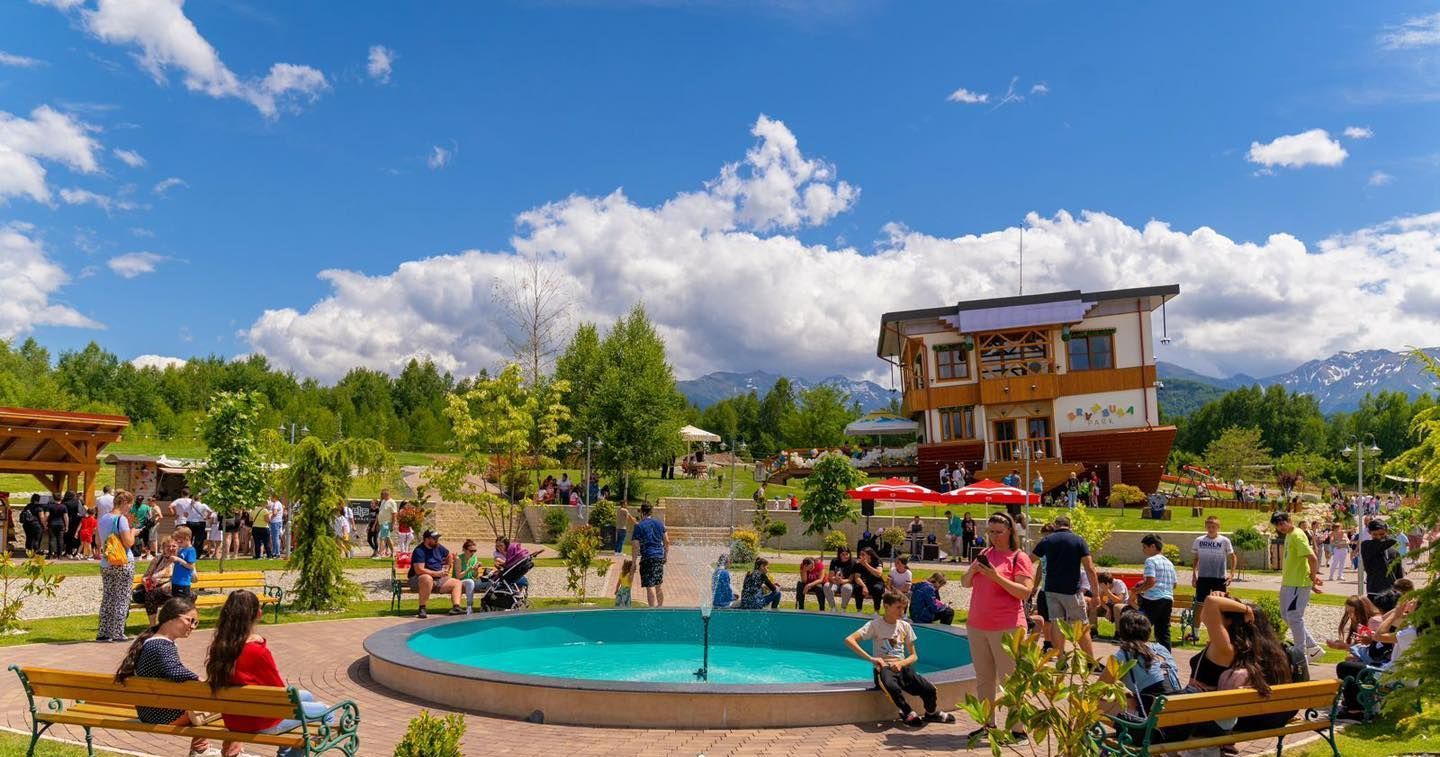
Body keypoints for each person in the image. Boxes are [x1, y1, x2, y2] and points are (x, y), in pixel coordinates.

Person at [207, 591, 334, 755]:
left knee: (307, 696)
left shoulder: (219, 648)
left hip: (234, 718)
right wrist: (261, 646)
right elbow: (281, 693)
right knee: (329, 712)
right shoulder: (257, 652)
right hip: (261, 722)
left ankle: (288, 750)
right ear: (258, 614)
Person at [962, 513, 1035, 745]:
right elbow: (964, 582)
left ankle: (1018, 730)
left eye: (998, 532)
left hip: (1007, 627)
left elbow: (1024, 592)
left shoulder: (1018, 557)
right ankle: (987, 724)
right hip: (977, 625)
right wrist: (973, 571)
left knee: (1011, 680)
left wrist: (996, 576)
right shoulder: (984, 553)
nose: (994, 536)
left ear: (1010, 532)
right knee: (984, 679)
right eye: (990, 532)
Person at [113, 598, 214, 757]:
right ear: (172, 618)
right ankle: (214, 750)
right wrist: (199, 680)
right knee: (222, 705)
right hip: (162, 714)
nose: (193, 626)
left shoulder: (150, 641)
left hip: (149, 710)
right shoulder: (161, 645)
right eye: (190, 620)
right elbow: (174, 671)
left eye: (196, 623)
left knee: (203, 703)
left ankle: (200, 748)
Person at [843, 592, 955, 727]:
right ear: (886, 606)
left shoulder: (905, 626)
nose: (902, 611)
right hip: (883, 669)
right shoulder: (874, 625)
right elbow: (849, 640)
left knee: (929, 689)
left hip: (902, 667)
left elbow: (914, 656)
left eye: (904, 608)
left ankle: (931, 714)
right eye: (898, 607)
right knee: (892, 687)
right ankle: (907, 712)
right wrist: (871, 658)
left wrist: (901, 663)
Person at [1032, 515, 1099, 657]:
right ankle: (1089, 660)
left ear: (1055, 526)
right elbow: (1090, 568)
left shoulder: (1047, 540)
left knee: (1057, 622)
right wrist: (1096, 594)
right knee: (1080, 624)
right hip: (1071, 590)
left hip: (1050, 589)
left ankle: (1061, 658)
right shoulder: (1079, 540)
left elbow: (1029, 559)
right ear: (1070, 526)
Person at [1100, 609, 1181, 721]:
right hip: (1177, 716)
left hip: (1153, 725)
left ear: (1122, 633)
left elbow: (1099, 688)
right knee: (1132, 699)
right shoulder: (1161, 649)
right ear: (1148, 632)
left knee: (1097, 703)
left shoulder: (1123, 655)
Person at [1272, 511, 1324, 663]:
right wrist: (1311, 579)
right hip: (1289, 582)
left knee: (1294, 616)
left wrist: (1312, 579)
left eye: (1282, 523)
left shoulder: (1297, 535)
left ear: (1289, 520)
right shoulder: (1289, 535)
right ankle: (1313, 647)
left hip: (1297, 584)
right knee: (1285, 615)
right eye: (1277, 525)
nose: (1280, 527)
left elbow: (1313, 558)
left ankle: (1300, 654)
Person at [96, 490, 137, 642]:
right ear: (124, 502)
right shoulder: (121, 520)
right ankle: (117, 632)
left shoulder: (103, 518)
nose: (130, 508)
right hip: (122, 562)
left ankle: (104, 632)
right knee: (122, 597)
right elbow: (128, 542)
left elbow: (99, 541)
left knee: (108, 597)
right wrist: (133, 532)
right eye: (129, 505)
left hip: (106, 562)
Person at [1130, 534, 1177, 650]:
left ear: (1152, 546)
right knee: (1163, 631)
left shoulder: (1150, 561)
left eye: (1144, 547)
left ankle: (1136, 654)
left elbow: (1151, 581)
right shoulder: (1169, 563)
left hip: (1152, 599)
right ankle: (1167, 658)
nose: (1143, 550)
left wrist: (1138, 590)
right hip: (1168, 598)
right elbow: (1174, 584)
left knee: (1141, 628)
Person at [409, 530, 465, 618]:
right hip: (419, 580)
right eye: (434, 538)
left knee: (457, 583)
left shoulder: (438, 547)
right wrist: (437, 573)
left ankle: (456, 607)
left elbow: (449, 555)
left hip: (437, 579)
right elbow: (419, 570)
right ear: (426, 539)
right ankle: (422, 608)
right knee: (427, 578)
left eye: (437, 538)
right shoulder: (419, 551)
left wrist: (447, 567)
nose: (437, 540)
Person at [630, 502, 670, 607]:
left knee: (650, 585)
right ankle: (660, 608)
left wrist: (633, 562)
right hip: (658, 557)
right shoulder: (659, 524)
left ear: (642, 512)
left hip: (647, 558)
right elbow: (667, 541)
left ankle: (652, 610)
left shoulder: (639, 526)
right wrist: (665, 556)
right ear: (651, 512)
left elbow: (635, 545)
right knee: (658, 585)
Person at [1190, 516, 1236, 604]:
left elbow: (1233, 557)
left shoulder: (1224, 541)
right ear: (1205, 527)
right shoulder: (1199, 540)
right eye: (1209, 527)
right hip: (1203, 577)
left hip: (1219, 578)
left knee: (1220, 604)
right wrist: (1194, 575)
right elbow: (1196, 558)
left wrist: (1231, 575)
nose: (1211, 529)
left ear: (1218, 527)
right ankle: (1200, 618)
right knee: (1200, 603)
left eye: (1213, 527)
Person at [1360, 518, 1404, 600]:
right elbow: (1392, 541)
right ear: (1369, 533)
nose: (1378, 537)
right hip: (1375, 591)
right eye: (1375, 534)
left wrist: (1402, 591)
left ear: (1386, 532)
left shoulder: (1394, 552)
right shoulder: (1366, 546)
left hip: (1392, 593)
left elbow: (1399, 574)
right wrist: (1387, 534)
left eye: (1381, 534)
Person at [137, 537, 178, 625]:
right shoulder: (157, 559)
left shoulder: (179, 560)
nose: (171, 548)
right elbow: (146, 576)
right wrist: (145, 581)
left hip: (172, 591)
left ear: (178, 547)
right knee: (150, 594)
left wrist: (169, 584)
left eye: (174, 546)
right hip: (157, 591)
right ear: (163, 548)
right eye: (168, 546)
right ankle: (153, 626)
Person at [453, 539, 487, 614]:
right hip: (458, 582)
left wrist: (475, 570)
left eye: (475, 551)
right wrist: (469, 569)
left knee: (473, 582)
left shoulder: (474, 558)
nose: (473, 553)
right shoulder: (459, 559)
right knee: (470, 582)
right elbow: (458, 576)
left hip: (469, 581)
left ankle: (484, 606)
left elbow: (475, 575)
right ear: (464, 550)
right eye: (471, 551)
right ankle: (469, 607)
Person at [826, 547, 863, 612]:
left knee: (847, 588)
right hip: (835, 582)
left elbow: (850, 579)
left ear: (849, 554)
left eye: (847, 554)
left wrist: (842, 581)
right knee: (826, 586)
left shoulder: (853, 562)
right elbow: (830, 577)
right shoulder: (834, 561)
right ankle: (833, 608)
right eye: (843, 554)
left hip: (847, 582)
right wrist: (835, 578)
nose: (845, 556)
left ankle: (843, 608)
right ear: (839, 554)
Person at [171, 527, 198, 600]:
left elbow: (191, 566)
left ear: (187, 538)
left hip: (183, 583)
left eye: (179, 539)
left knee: (182, 605)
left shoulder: (191, 550)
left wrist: (178, 559)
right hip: (175, 581)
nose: (178, 541)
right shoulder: (182, 549)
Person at [43, 493, 67, 559]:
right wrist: (67, 525)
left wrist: (44, 523)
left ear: (54, 498)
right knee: (60, 540)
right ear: (61, 498)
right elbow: (66, 517)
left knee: (52, 539)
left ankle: (50, 554)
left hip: (52, 524)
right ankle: (60, 555)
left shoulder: (50, 506)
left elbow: (46, 515)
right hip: (61, 524)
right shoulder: (63, 506)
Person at [376, 490, 398, 559]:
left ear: (386, 494)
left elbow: (394, 514)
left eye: (382, 495)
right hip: (382, 523)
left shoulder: (392, 502)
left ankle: (380, 554)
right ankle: (393, 553)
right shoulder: (383, 501)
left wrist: (393, 524)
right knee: (387, 538)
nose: (381, 496)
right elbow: (381, 512)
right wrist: (378, 524)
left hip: (387, 523)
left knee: (382, 538)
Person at [266, 494, 286, 561]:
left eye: (272, 497)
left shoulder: (276, 504)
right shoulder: (279, 503)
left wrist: (270, 518)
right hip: (279, 521)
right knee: (276, 538)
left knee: (275, 538)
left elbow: (275, 513)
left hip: (275, 522)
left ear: (275, 497)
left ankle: (277, 553)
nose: (271, 498)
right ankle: (275, 552)